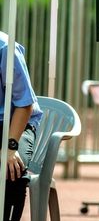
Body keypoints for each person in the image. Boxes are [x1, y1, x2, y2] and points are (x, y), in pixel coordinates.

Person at [0, 31, 43, 221]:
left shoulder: (6, 48)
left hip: (14, 122)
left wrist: (10, 148)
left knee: (11, 170)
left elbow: (25, 104)